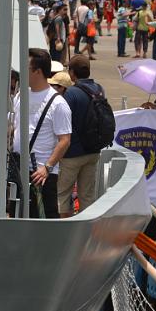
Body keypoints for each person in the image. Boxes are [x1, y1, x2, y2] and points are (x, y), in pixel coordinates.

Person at [14, 48, 72, 219]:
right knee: (17, 215)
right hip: (18, 169)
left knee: (43, 219)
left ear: (38, 71)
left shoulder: (58, 103)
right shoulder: (20, 96)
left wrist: (47, 167)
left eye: (26, 68)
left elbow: (65, 140)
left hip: (40, 174)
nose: (21, 72)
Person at [58, 55, 104, 217]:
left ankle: (64, 230)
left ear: (72, 73)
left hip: (72, 153)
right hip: (93, 151)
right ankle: (86, 230)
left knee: (63, 194)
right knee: (87, 196)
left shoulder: (71, 93)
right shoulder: (99, 89)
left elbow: (63, 121)